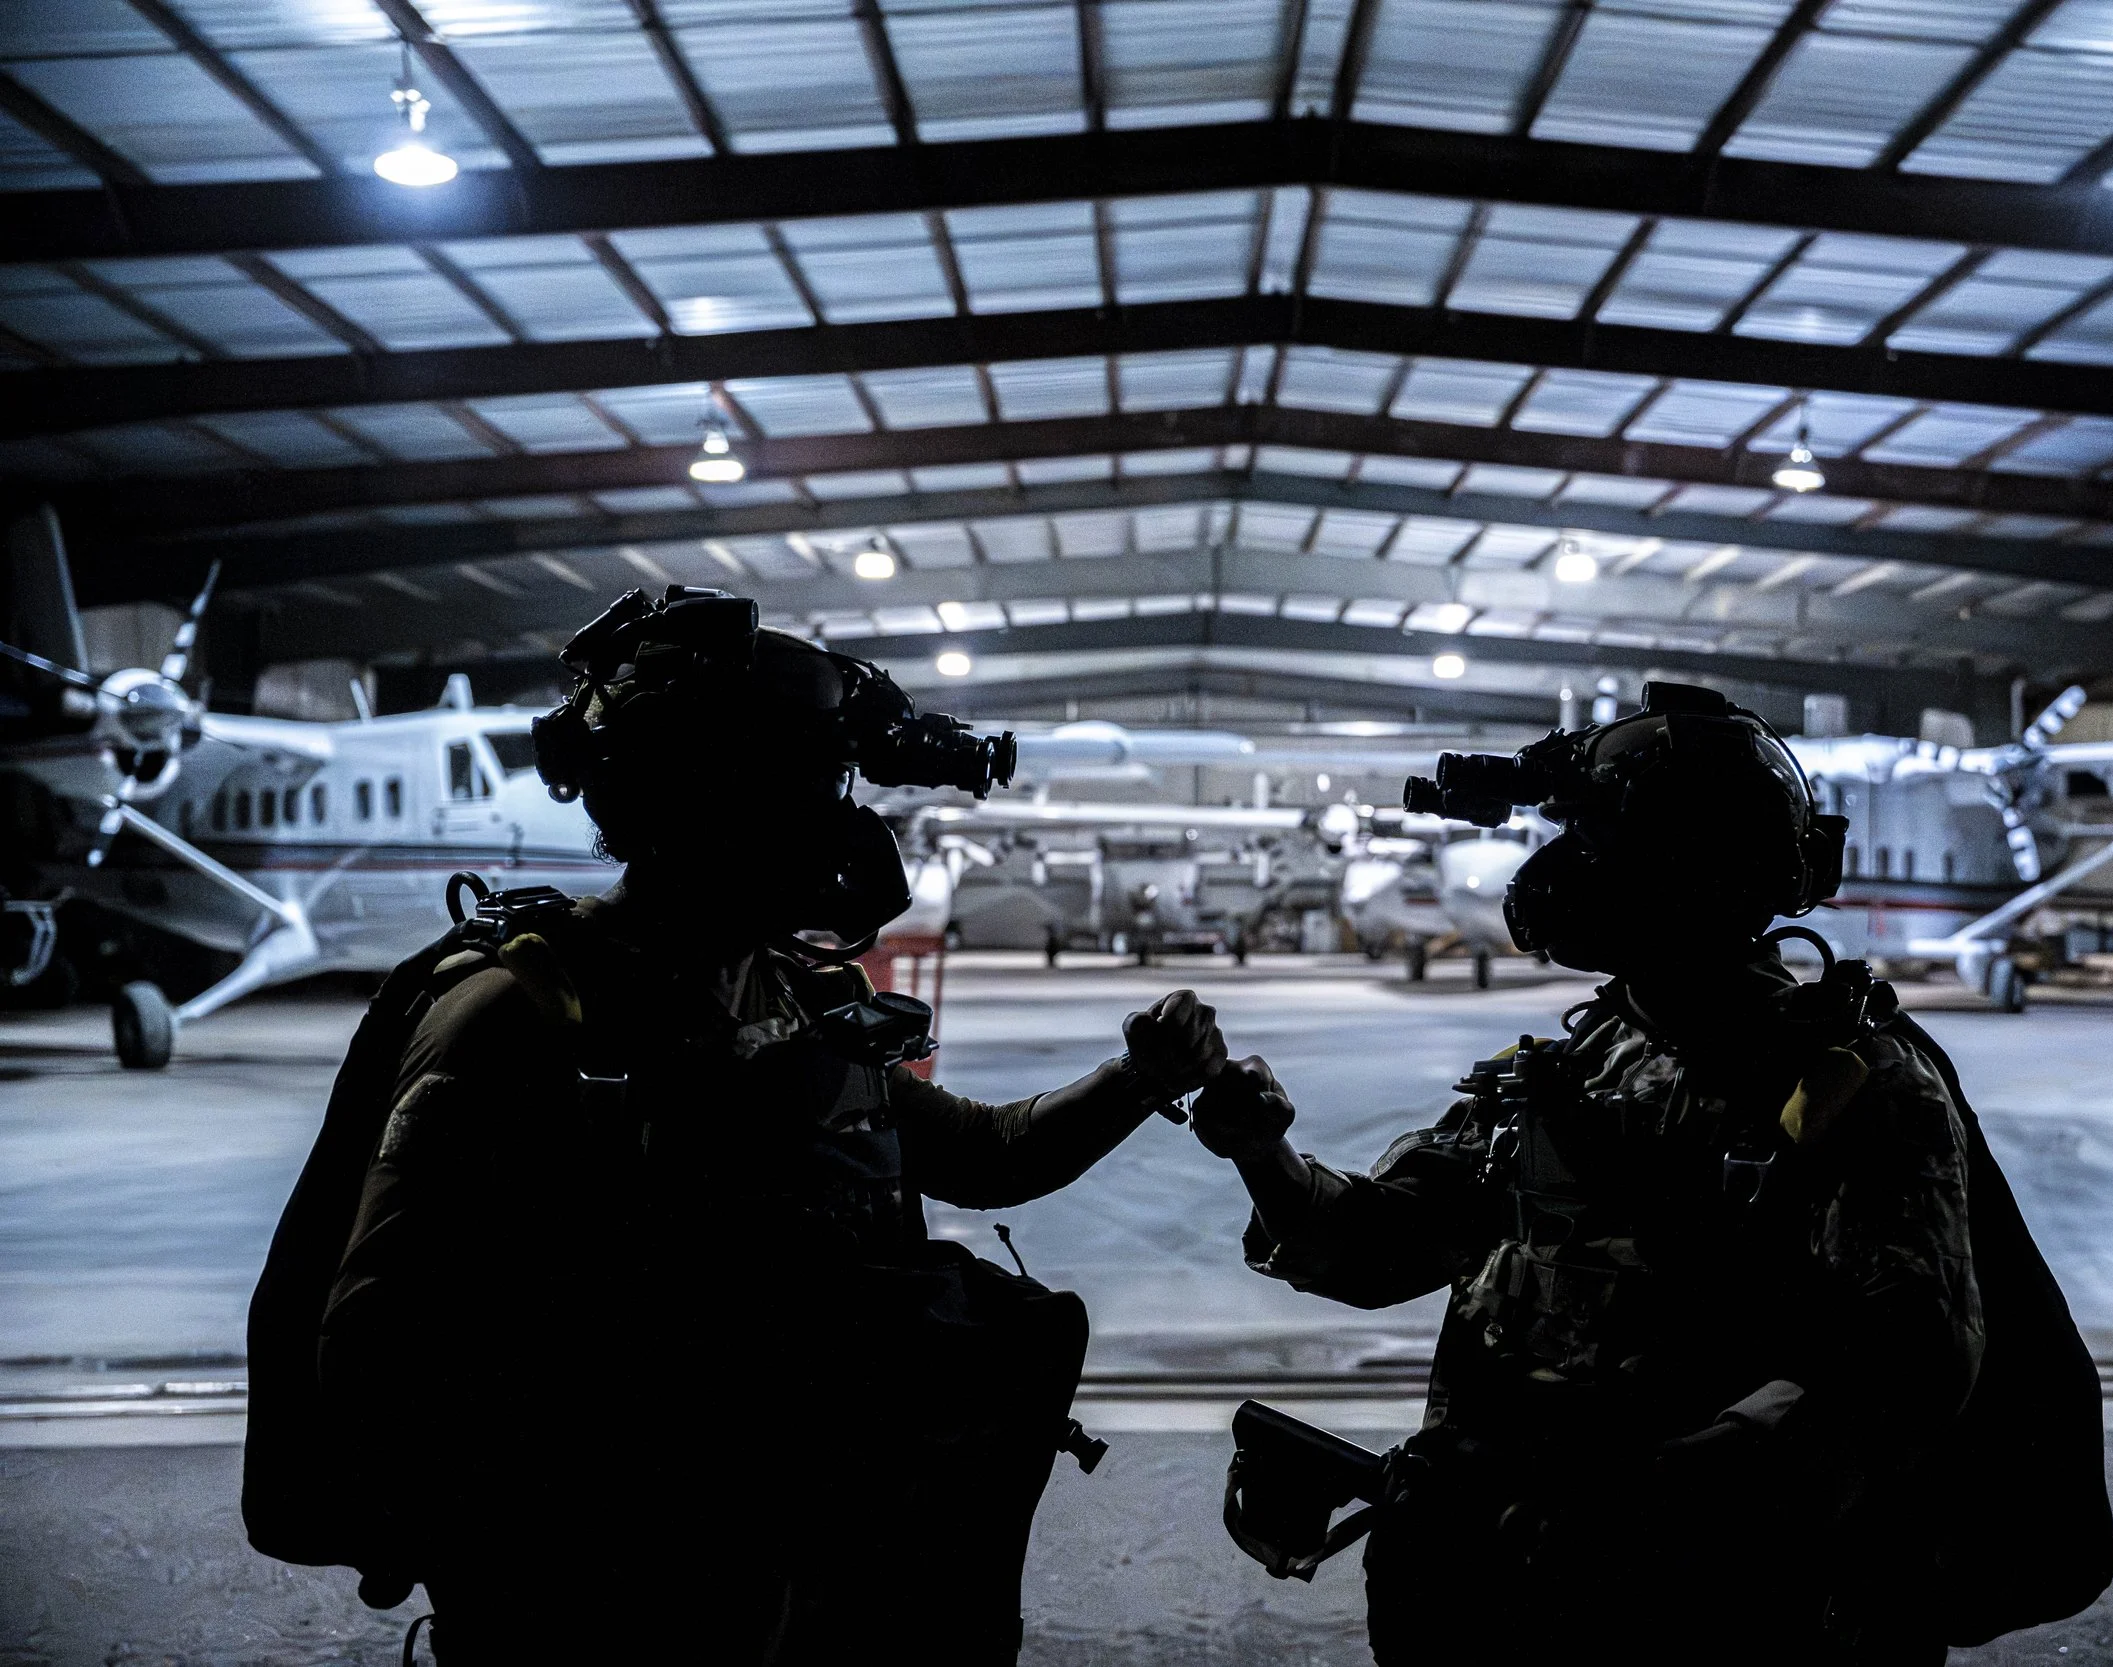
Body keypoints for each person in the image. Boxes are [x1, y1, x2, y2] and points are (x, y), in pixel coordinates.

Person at [315, 587, 1226, 1663]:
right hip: (605, 1604)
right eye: (800, 781)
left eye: (828, 782)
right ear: (695, 793)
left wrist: (1139, 1076)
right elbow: (371, 1355)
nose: (833, 818)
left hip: (792, 1586)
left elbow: (987, 1155)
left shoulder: (791, 999)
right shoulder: (524, 1013)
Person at [1190, 682, 1984, 1664]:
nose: (1568, 870)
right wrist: (1260, 1153)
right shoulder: (1571, 1067)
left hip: (1711, 1610)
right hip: (1500, 1592)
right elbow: (1378, 1244)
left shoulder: (1852, 1084)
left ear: (1690, 867)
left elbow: (1906, 1366)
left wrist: (1656, 1494)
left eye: (1604, 841)